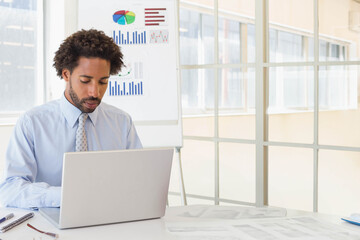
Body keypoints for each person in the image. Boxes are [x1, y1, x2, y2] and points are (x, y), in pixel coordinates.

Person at [0, 29, 142, 209]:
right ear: (66, 75)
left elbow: (138, 180)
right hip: (50, 224)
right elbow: (11, 188)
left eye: (103, 82)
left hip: (108, 220)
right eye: (85, 80)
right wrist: (66, 196)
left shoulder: (121, 122)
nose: (95, 92)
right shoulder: (33, 123)